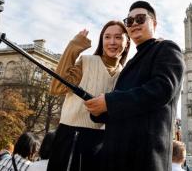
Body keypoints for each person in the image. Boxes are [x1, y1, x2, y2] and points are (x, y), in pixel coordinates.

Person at [85, 0, 185, 171]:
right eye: (129, 21)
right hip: (116, 159)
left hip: (143, 159)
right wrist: (99, 111)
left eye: (140, 19)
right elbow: (126, 108)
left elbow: (162, 90)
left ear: (154, 22)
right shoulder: (131, 63)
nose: (134, 24)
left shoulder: (166, 48)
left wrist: (109, 102)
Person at [47, 20, 130, 171]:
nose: (112, 42)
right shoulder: (86, 62)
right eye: (107, 37)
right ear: (101, 40)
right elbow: (56, 87)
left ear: (126, 42)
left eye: (118, 37)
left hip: (103, 143)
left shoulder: (126, 74)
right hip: (72, 137)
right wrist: (74, 47)